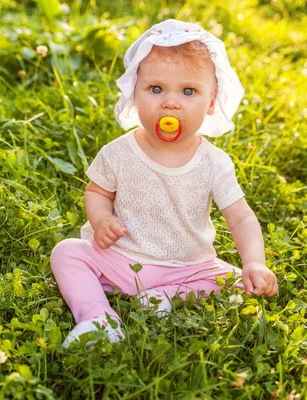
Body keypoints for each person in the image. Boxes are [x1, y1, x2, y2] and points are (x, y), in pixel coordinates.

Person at [50, 19, 278, 348]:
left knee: (237, 282)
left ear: (211, 102)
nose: (170, 103)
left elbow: (240, 217)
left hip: (187, 266)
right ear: (134, 93)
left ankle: (163, 296)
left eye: (189, 91)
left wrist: (254, 263)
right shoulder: (118, 153)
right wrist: (101, 220)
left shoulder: (213, 163)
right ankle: (98, 319)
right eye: (156, 89)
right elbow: (97, 192)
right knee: (67, 253)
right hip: (121, 260)